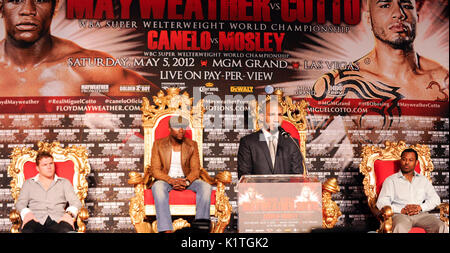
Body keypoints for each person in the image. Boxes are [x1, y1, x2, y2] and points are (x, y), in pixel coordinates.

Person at [312, 0, 449, 128]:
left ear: (417, 18)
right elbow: (297, 138)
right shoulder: (338, 83)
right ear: (368, 19)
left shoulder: (443, 80)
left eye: (406, 6)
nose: (398, 14)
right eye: (385, 5)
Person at [0, 0, 157, 96]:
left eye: (41, 0)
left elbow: (165, 108)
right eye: (15, 0)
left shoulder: (86, 66)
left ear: (54, 7)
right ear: (1, 7)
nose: (28, 10)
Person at [149, 115, 212, 233]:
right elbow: (155, 170)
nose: (181, 130)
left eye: (183, 127)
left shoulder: (192, 145)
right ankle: (166, 229)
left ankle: (200, 229)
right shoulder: (158, 144)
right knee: (157, 187)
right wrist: (171, 180)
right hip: (166, 180)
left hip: (187, 179)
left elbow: (195, 170)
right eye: (177, 127)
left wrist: (187, 181)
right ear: (169, 129)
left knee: (206, 187)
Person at [376, 148, 448, 233]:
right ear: (400, 161)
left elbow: (435, 199)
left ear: (416, 162)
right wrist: (401, 210)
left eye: (410, 160)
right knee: (400, 227)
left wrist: (420, 207)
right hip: (400, 215)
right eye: (404, 159)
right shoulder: (391, 180)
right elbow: (382, 202)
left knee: (441, 226)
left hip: (421, 215)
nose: (406, 162)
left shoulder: (423, 180)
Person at [15, 151, 82, 233]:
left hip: (59, 220)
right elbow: (20, 203)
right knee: (28, 230)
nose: (49, 167)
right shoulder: (28, 183)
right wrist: (27, 214)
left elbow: (76, 202)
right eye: (45, 165)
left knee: (67, 230)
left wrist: (69, 214)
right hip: (35, 220)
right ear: (37, 168)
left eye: (51, 163)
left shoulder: (64, 182)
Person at [237, 99, 305, 178]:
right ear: (262, 117)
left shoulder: (291, 143)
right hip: (258, 190)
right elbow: (244, 175)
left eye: (279, 115)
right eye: (272, 115)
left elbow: (297, 176)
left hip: (285, 190)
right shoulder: (248, 142)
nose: (276, 119)